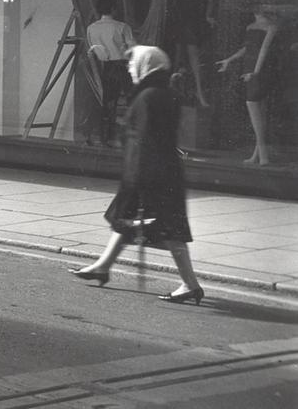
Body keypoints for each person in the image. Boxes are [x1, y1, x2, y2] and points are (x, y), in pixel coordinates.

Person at [70, 46, 205, 305]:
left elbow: (143, 141)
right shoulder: (164, 93)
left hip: (148, 174)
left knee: (170, 232)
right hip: (160, 171)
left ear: (146, 65)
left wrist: (138, 178)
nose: (130, 68)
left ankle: (190, 285)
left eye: (133, 64)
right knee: (128, 222)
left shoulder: (147, 97)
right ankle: (102, 266)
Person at [216, 7, 282, 166]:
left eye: (259, 12)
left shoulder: (272, 27)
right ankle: (257, 154)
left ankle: (263, 155)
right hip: (250, 69)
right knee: (259, 111)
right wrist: (229, 60)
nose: (257, 14)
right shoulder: (250, 27)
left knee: (253, 106)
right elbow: (247, 48)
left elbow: (264, 51)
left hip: (259, 70)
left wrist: (255, 72)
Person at [85, 0, 135, 147]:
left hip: (102, 67)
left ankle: (103, 137)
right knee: (132, 100)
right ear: (113, 8)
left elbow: (92, 47)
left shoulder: (91, 28)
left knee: (106, 103)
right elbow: (133, 49)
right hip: (120, 66)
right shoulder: (121, 27)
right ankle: (128, 137)